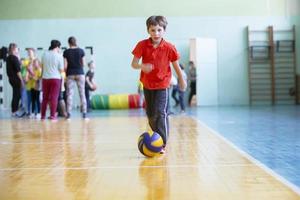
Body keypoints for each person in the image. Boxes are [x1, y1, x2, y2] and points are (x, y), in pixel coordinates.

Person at [131, 15, 186, 153]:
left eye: (159, 30)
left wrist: (181, 79)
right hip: (147, 84)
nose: (156, 33)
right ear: (148, 30)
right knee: (151, 114)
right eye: (153, 30)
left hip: (163, 85)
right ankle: (155, 138)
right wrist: (142, 66)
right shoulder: (142, 45)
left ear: (164, 30)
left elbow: (176, 66)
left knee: (161, 113)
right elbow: (134, 64)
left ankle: (162, 143)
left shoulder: (169, 47)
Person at [63, 36, 87, 119]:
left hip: (70, 74)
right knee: (82, 94)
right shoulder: (81, 51)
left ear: (69, 43)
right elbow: (83, 64)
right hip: (80, 73)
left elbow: (65, 66)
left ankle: (69, 114)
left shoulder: (66, 52)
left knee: (69, 94)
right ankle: (84, 113)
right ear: (75, 42)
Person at [40, 40, 64, 121]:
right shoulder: (59, 56)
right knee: (54, 97)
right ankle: (53, 116)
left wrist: (42, 77)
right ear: (57, 47)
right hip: (55, 79)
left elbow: (42, 68)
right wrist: (63, 80)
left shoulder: (44, 54)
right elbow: (61, 70)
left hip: (45, 78)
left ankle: (42, 116)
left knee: (45, 98)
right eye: (59, 48)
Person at [6, 43, 23, 117]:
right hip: (16, 79)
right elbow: (18, 71)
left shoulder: (8, 57)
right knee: (17, 95)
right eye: (17, 49)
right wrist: (22, 80)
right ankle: (14, 111)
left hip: (11, 79)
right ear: (13, 49)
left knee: (15, 94)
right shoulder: (14, 58)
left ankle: (14, 110)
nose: (17, 50)